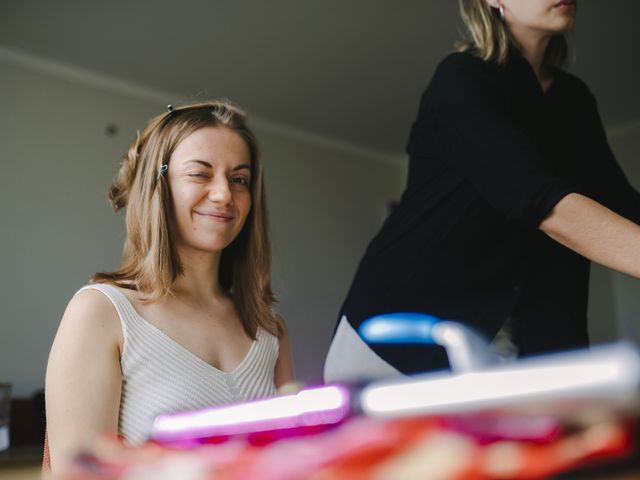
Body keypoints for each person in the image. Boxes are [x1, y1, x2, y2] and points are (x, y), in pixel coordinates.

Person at [324, 0, 640, 382]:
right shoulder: (462, 77)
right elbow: (540, 201)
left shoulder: (573, 100)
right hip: (400, 337)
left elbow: (618, 202)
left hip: (519, 348)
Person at [45, 101, 295, 472]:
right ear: (156, 185)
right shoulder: (101, 313)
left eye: (239, 179)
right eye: (200, 174)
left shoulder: (269, 328)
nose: (224, 194)